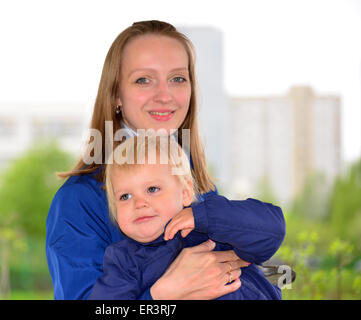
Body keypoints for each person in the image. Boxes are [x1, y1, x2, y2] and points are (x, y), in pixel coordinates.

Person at [45, 20, 286, 300]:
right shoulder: (78, 201)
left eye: (177, 79)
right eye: (143, 80)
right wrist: (164, 294)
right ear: (115, 96)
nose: (164, 95)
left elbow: (261, 241)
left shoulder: (196, 182)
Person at [88, 135, 283, 300]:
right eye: (125, 196)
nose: (139, 203)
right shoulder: (125, 262)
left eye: (152, 189)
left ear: (185, 193)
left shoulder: (214, 228)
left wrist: (205, 216)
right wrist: (158, 296)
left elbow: (273, 231)